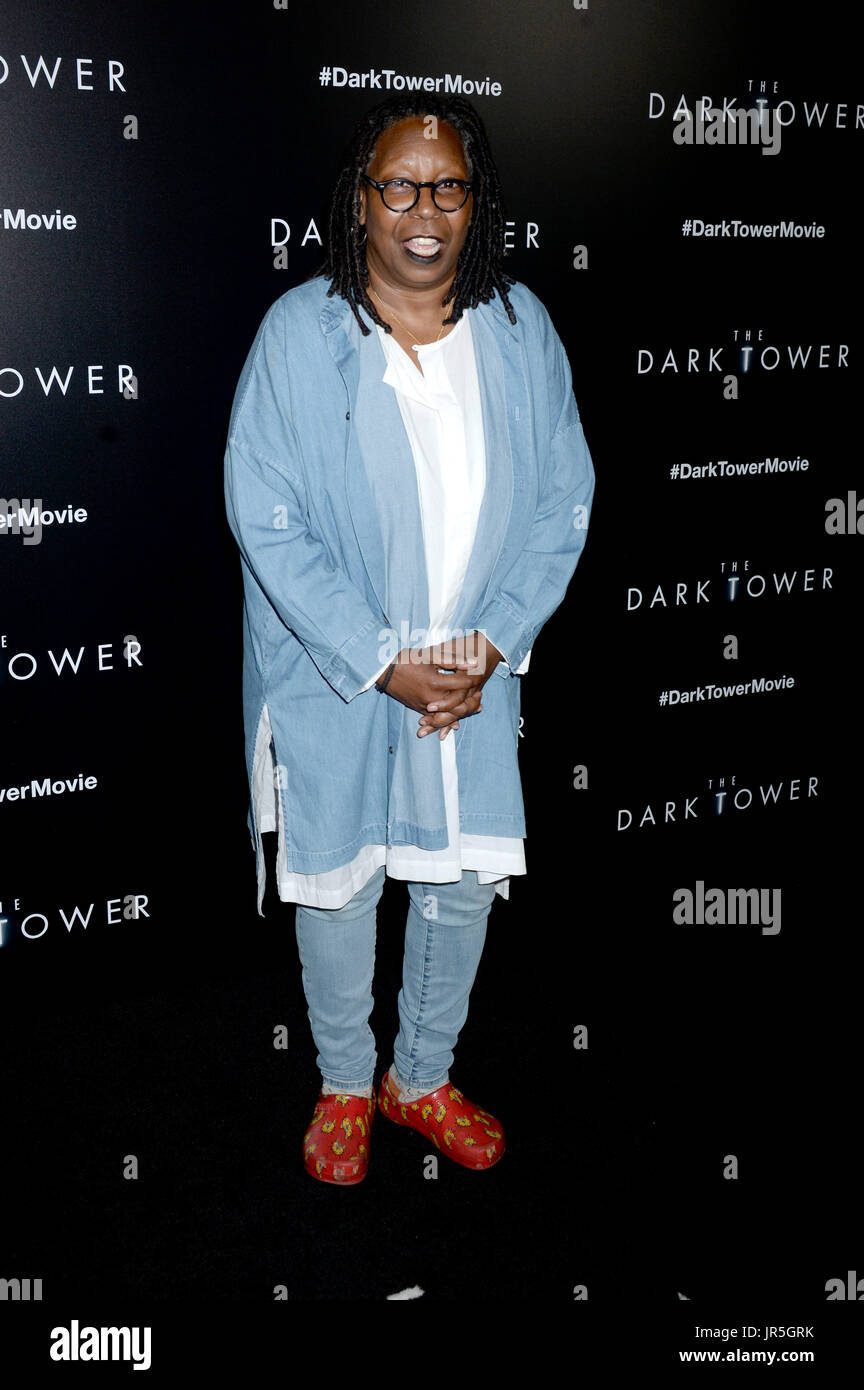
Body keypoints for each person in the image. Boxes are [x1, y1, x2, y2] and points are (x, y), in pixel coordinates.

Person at [224, 93, 594, 1185]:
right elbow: (267, 515)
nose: (423, 208)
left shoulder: (521, 330)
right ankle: (346, 1079)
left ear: (476, 205)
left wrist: (492, 643)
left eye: (448, 185)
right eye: (399, 184)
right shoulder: (299, 334)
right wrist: (382, 660)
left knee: (459, 878)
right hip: (343, 678)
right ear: (361, 201)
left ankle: (420, 1074)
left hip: (472, 673)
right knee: (340, 881)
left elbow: (565, 494)